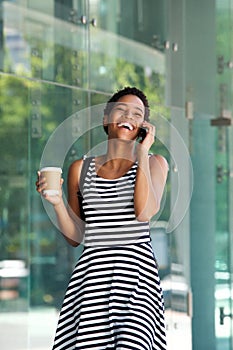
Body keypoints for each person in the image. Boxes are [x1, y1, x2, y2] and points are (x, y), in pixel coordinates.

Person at [36, 86, 168, 350]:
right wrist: (57, 201)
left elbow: (144, 212)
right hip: (92, 277)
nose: (128, 116)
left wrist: (142, 152)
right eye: (121, 109)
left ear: (143, 125)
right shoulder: (80, 169)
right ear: (106, 118)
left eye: (137, 114)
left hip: (136, 280)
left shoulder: (155, 163)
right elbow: (76, 237)